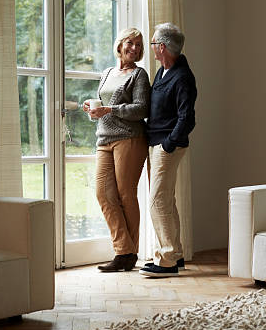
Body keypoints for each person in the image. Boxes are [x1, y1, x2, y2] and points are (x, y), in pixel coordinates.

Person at [83, 27, 151, 272]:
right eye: (131, 43)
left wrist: (110, 110)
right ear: (120, 44)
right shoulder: (108, 73)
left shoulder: (139, 75)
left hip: (130, 139)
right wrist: (93, 109)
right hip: (104, 139)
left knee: (125, 195)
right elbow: (104, 106)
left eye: (139, 46)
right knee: (103, 193)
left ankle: (126, 255)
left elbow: (142, 109)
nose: (135, 49)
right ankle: (125, 249)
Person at [139, 22, 197, 278]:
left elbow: (188, 118)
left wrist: (168, 144)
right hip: (157, 143)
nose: (151, 47)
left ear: (161, 47)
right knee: (166, 200)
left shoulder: (182, 76)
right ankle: (177, 254)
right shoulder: (162, 72)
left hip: (167, 145)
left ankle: (166, 260)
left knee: (156, 201)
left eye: (153, 43)